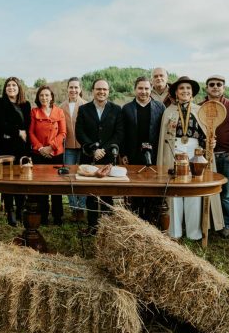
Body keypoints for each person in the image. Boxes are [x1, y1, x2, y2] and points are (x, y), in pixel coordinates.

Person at [157, 76, 217, 240]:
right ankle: (174, 231)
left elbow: (206, 135)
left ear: (192, 93)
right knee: (174, 191)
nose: (185, 91)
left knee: (193, 190)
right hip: (174, 151)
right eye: (181, 88)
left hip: (195, 152)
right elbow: (164, 138)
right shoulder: (168, 111)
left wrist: (209, 145)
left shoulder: (200, 111)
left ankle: (194, 232)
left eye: (188, 89)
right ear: (176, 92)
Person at [76, 79, 124, 234]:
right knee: (90, 194)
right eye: (98, 89)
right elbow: (80, 132)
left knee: (107, 194)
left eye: (104, 89)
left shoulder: (116, 109)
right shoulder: (84, 109)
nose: (101, 92)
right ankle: (92, 227)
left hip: (108, 157)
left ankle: (106, 229)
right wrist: (93, 148)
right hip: (89, 156)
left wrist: (104, 149)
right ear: (93, 90)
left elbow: (119, 133)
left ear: (108, 91)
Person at [200, 75, 229, 238]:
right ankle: (209, 222)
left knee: (226, 192)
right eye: (212, 84)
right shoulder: (200, 107)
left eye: (219, 84)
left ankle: (225, 224)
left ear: (224, 88)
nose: (216, 87)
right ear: (207, 88)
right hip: (206, 158)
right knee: (206, 191)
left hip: (226, 157)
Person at [121, 76, 164, 222]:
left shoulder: (160, 107)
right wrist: (123, 153)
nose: (143, 91)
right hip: (133, 155)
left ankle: (151, 220)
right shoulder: (126, 108)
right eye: (140, 88)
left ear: (151, 89)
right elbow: (123, 133)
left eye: (146, 88)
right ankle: (135, 221)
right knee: (135, 190)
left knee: (152, 189)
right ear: (135, 90)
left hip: (154, 154)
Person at [0, 77, 32, 226]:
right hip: (6, 148)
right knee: (8, 181)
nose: (11, 87)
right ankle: (10, 211)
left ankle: (20, 209)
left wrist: (20, 133)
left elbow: (28, 126)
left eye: (14, 85)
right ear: (5, 88)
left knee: (21, 180)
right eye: (8, 85)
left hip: (23, 149)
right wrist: (16, 131)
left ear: (19, 88)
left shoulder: (26, 105)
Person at [29, 85, 67, 225]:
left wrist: (51, 147)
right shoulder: (34, 112)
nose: (44, 98)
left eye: (47, 95)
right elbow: (31, 133)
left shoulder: (59, 111)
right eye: (41, 95)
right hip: (39, 155)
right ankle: (43, 216)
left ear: (51, 97)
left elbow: (63, 133)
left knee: (56, 186)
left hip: (55, 154)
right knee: (41, 187)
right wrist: (40, 149)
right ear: (38, 98)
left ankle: (58, 217)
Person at [59, 77, 87, 221]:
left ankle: (82, 207)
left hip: (83, 147)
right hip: (68, 147)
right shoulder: (61, 107)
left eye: (76, 87)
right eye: (71, 87)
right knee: (68, 177)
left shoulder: (86, 105)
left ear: (80, 89)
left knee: (82, 176)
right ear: (67, 88)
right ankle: (73, 208)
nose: (73, 90)